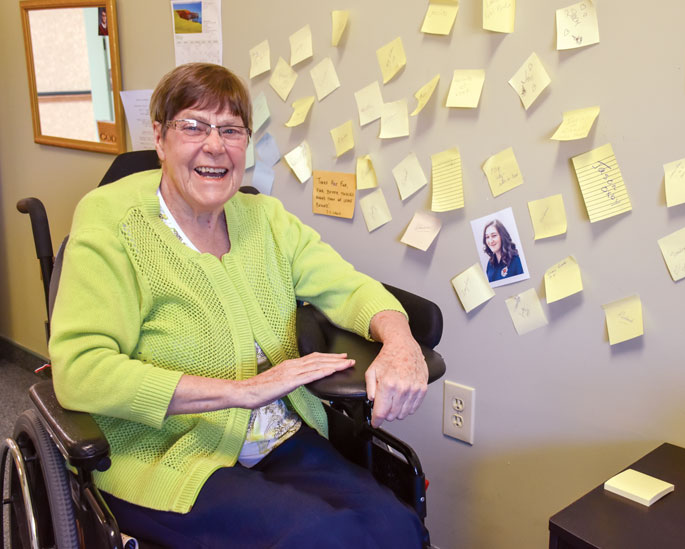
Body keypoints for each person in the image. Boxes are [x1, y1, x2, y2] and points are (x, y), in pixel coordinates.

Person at [49, 63, 428, 548]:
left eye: (231, 129)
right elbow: (81, 371)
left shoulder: (264, 218)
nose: (214, 145)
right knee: (324, 538)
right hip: (165, 454)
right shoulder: (111, 223)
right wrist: (240, 391)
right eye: (193, 126)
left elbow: (348, 287)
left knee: (396, 526)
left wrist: (400, 341)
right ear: (160, 139)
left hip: (278, 434)